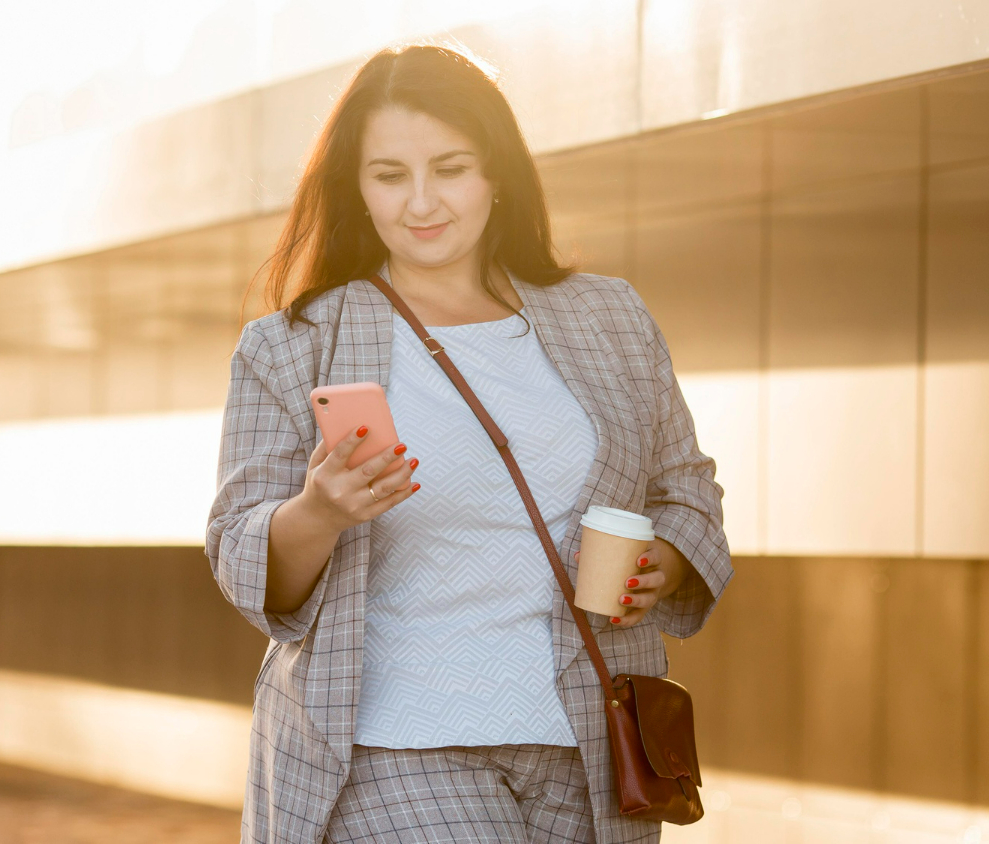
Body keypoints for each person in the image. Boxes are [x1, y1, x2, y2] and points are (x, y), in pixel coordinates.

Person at [205, 43, 732, 844]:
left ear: (496, 173)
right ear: (357, 186)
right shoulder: (291, 346)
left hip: (586, 733)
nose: (422, 202)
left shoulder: (610, 318)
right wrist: (318, 509)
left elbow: (685, 488)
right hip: (388, 736)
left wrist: (667, 562)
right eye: (389, 176)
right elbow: (240, 551)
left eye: (449, 168)